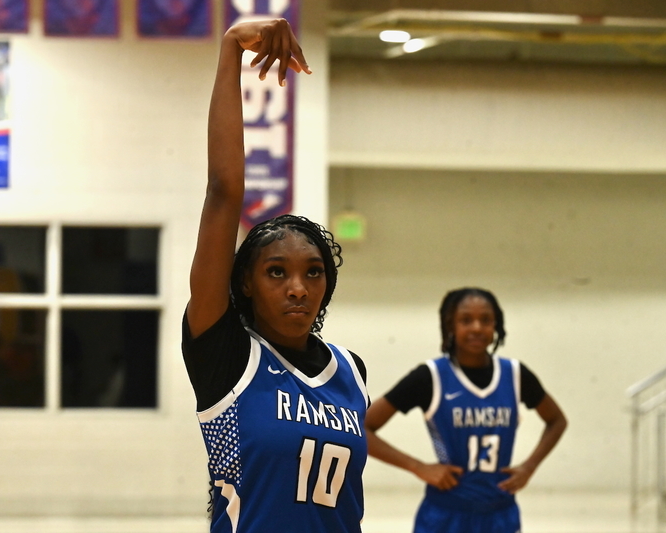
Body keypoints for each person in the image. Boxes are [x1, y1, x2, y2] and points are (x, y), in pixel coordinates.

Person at [182, 18, 369, 533]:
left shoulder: (351, 372)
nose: (297, 287)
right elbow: (223, 190)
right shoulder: (224, 355)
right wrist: (231, 50)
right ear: (246, 282)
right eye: (276, 272)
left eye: (313, 272)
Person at [365, 287, 567, 533]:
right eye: (465, 320)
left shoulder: (515, 375)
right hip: (444, 514)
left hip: (500, 513)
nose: (476, 328)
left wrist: (530, 466)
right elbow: (362, 428)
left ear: (497, 326)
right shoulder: (430, 377)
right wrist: (418, 466)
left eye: (485, 320)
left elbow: (557, 420)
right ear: (450, 325)